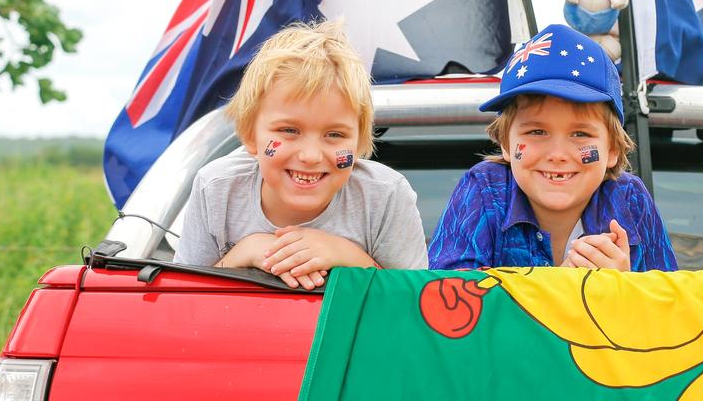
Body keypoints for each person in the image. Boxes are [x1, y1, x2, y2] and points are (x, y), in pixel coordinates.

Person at [173, 19, 427, 288]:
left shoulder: (386, 196)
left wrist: (349, 257)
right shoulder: (216, 188)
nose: (310, 156)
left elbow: (416, 304)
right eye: (289, 130)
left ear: (358, 143)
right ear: (249, 135)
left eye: (334, 135)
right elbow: (178, 298)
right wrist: (242, 253)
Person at [428, 24, 677, 272]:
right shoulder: (484, 190)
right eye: (537, 132)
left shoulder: (631, 201)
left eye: (580, 134)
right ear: (505, 143)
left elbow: (669, 306)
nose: (557, 154)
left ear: (612, 149)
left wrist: (626, 290)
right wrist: (560, 287)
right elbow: (447, 300)